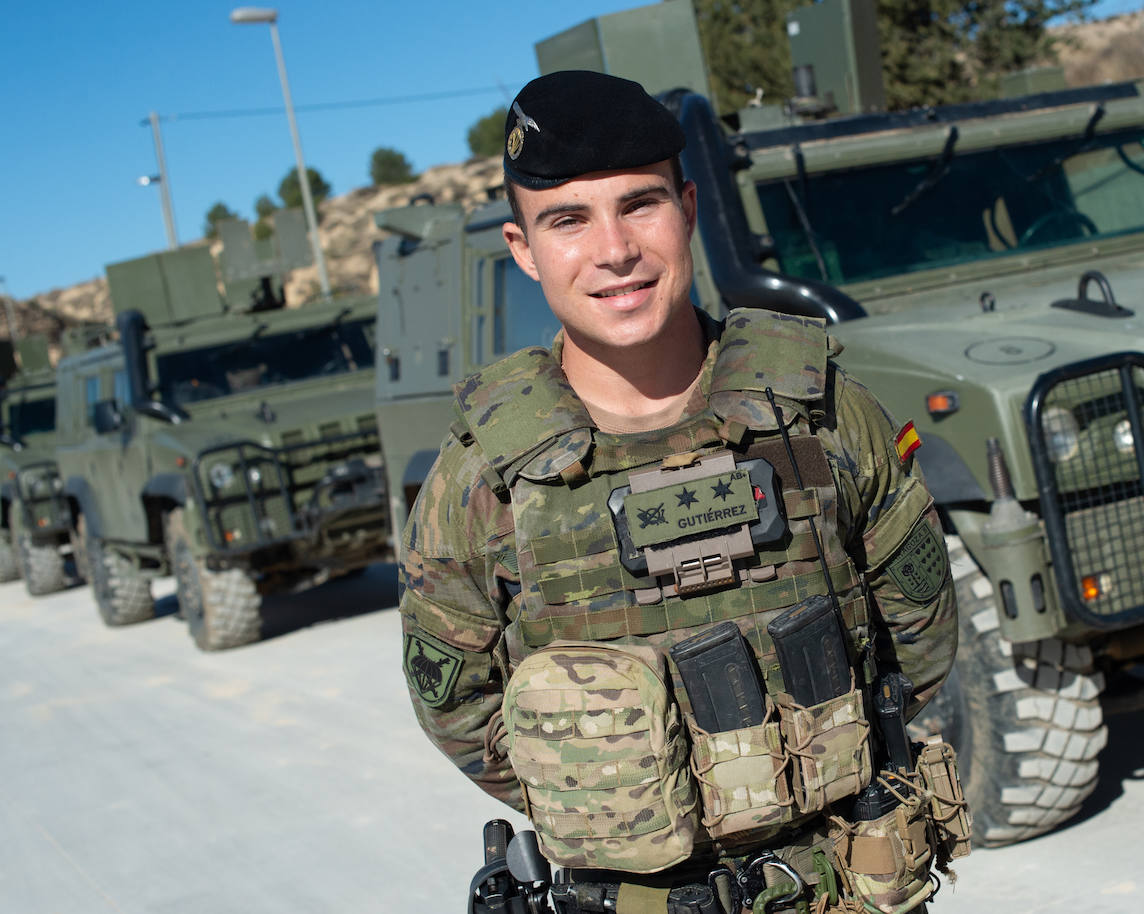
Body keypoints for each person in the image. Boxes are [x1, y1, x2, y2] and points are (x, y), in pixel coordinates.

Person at [398, 70, 960, 912]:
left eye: (640, 205)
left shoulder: (819, 411)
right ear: (523, 249)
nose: (615, 249)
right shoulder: (483, 478)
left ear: (689, 208)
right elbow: (457, 708)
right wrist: (617, 805)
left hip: (845, 883)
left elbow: (920, 635)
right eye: (568, 220)